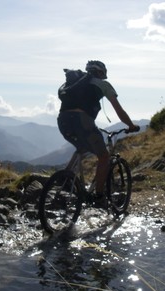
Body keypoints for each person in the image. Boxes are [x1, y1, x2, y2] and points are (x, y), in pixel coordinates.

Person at [57, 60, 139, 208]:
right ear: (101, 73)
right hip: (82, 121)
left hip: (62, 121)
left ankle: (65, 178)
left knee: (81, 147)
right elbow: (119, 111)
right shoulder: (103, 85)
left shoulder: (75, 84)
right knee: (104, 156)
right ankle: (99, 196)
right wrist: (131, 125)